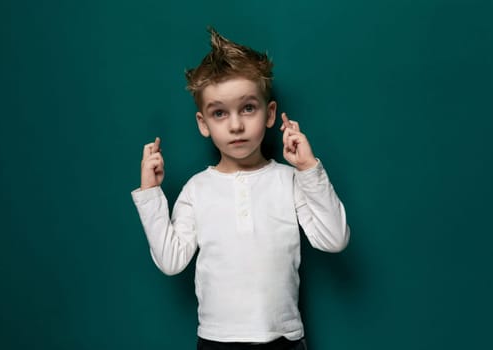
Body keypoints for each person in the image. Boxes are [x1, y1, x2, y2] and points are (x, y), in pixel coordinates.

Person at [131, 27, 350, 350]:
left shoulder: (288, 181)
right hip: (218, 340)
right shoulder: (197, 189)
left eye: (248, 108)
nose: (235, 125)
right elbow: (171, 260)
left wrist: (308, 169)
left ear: (270, 113)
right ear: (203, 124)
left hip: (285, 339)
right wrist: (150, 192)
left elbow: (333, 239)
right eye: (219, 113)